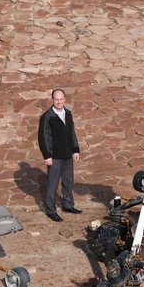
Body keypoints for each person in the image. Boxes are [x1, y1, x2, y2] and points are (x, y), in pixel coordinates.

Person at [38, 88, 82, 222]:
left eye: (61, 99)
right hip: (54, 156)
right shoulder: (47, 116)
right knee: (52, 184)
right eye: (56, 99)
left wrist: (75, 150)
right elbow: (42, 137)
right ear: (52, 99)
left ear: (65, 99)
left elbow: (71, 133)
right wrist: (47, 156)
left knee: (68, 182)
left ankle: (68, 205)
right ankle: (51, 211)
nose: (58, 102)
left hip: (68, 155)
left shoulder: (68, 114)